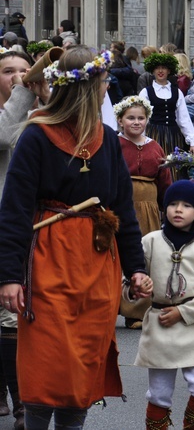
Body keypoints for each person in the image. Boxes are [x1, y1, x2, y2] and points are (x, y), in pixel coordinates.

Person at [0, 46, 151, 428]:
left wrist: (136, 268)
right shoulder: (37, 136)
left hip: (96, 265)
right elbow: (15, 212)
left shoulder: (108, 139)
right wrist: (8, 277)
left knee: (85, 358)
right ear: (86, 86)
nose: (106, 89)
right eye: (102, 82)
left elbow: (123, 210)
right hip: (49, 261)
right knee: (48, 361)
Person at [127, 180, 194, 430]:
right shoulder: (149, 241)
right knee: (159, 393)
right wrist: (136, 287)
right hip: (160, 325)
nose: (178, 209)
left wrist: (182, 312)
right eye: (172, 204)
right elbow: (129, 277)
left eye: (186, 205)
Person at [0, 50, 39, 429]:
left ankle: (22, 401)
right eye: (8, 71)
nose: (18, 76)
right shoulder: (14, 112)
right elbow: (3, 135)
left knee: (14, 313)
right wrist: (25, 94)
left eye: (25, 70)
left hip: (29, 228)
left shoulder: (37, 112)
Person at [114, 95, 173, 329]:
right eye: (130, 118)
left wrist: (166, 208)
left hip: (148, 209)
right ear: (120, 121)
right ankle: (112, 306)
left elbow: (164, 180)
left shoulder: (155, 147)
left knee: (143, 257)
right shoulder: (114, 144)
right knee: (117, 256)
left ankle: (136, 312)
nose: (136, 122)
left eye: (141, 118)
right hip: (121, 204)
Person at [139, 52, 194, 180]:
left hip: (173, 136)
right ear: (153, 70)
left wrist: (192, 141)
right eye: (157, 68)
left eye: (164, 68)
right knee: (156, 168)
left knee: (174, 172)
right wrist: (140, 140)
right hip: (154, 135)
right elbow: (142, 118)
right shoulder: (146, 92)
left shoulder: (177, 92)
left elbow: (183, 119)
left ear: (169, 70)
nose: (160, 71)